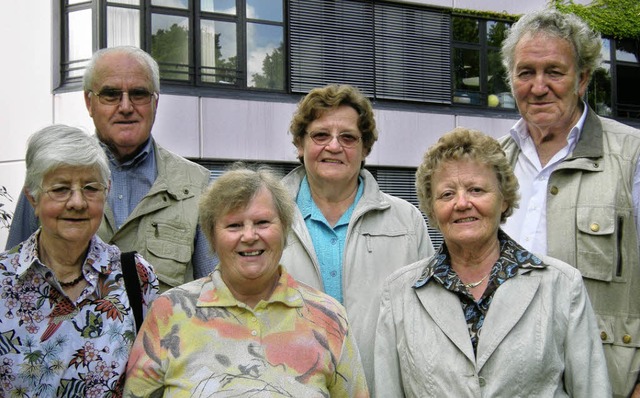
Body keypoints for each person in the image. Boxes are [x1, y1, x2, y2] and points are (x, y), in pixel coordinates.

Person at [374, 127, 610, 397]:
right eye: (447, 194)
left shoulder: (562, 286)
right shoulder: (399, 294)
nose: (462, 203)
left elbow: (593, 390)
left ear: (504, 199)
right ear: (432, 208)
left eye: (476, 189)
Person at [123, 164, 369, 397]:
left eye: (262, 222)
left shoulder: (328, 317)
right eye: (234, 225)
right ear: (212, 236)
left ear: (284, 230)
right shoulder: (169, 312)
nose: (249, 236)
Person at [498, 9, 640, 397]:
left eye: (554, 72)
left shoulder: (632, 155)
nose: (538, 86)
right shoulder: (492, 161)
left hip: (607, 382)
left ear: (582, 79)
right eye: (525, 72)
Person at [5, 46, 215, 292]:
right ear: (89, 102)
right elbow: (13, 278)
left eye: (138, 94)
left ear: (155, 102)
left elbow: (214, 291)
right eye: (111, 94)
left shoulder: (195, 185)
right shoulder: (49, 179)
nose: (126, 107)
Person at [279, 83, 434, 392]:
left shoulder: (407, 221)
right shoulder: (266, 219)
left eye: (348, 137)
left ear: (365, 149)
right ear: (300, 144)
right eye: (321, 135)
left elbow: (430, 320)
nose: (334, 146)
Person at [0, 125, 159, 397]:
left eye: (90, 188)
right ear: (32, 198)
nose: (77, 202)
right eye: (60, 189)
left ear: (106, 191)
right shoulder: (4, 280)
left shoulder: (136, 277)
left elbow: (154, 378)